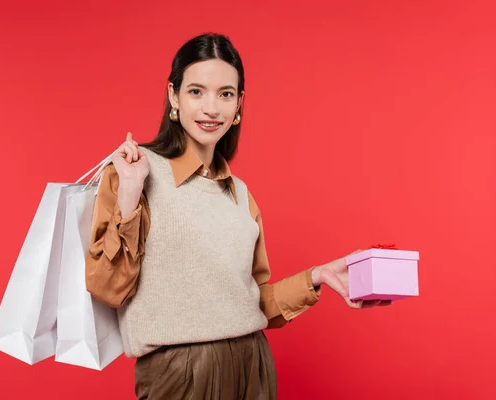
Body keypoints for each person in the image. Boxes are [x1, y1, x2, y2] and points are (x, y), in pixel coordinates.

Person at [85, 32, 390, 399]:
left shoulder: (240, 194)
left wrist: (317, 276)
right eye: (197, 91)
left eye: (225, 94)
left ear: (239, 103)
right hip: (180, 375)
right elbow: (107, 288)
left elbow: (252, 303)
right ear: (173, 96)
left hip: (253, 367)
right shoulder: (135, 171)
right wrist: (131, 195)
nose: (212, 108)